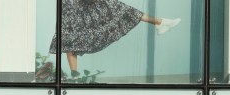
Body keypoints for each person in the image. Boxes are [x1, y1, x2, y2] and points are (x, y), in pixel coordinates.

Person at [50, 0, 181, 76]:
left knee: (121, 9)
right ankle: (74, 76)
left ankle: (159, 22)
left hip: (80, 4)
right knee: (69, 36)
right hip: (73, 5)